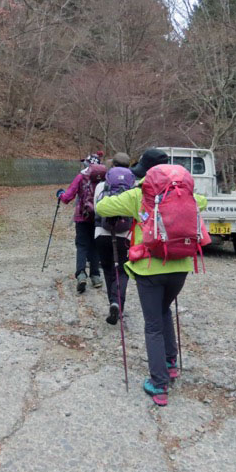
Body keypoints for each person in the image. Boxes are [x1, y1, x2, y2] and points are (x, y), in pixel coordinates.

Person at [95, 148, 207, 407]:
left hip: (149, 269)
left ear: (146, 172)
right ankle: (170, 363)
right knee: (164, 310)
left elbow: (102, 207)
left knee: (152, 324)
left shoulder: (139, 195)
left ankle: (158, 384)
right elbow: (202, 203)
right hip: (180, 265)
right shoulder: (185, 193)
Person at [94, 152, 133, 325]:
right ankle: (118, 302)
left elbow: (97, 209)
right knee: (123, 271)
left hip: (102, 233)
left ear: (112, 166)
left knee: (108, 269)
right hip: (126, 235)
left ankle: (112, 302)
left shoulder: (101, 186)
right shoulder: (134, 187)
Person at [58, 151, 105, 293]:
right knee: (95, 245)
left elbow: (67, 198)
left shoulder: (81, 176)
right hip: (99, 216)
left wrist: (60, 194)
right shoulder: (104, 177)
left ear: (86, 163)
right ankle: (96, 276)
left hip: (82, 217)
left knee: (82, 245)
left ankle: (81, 274)